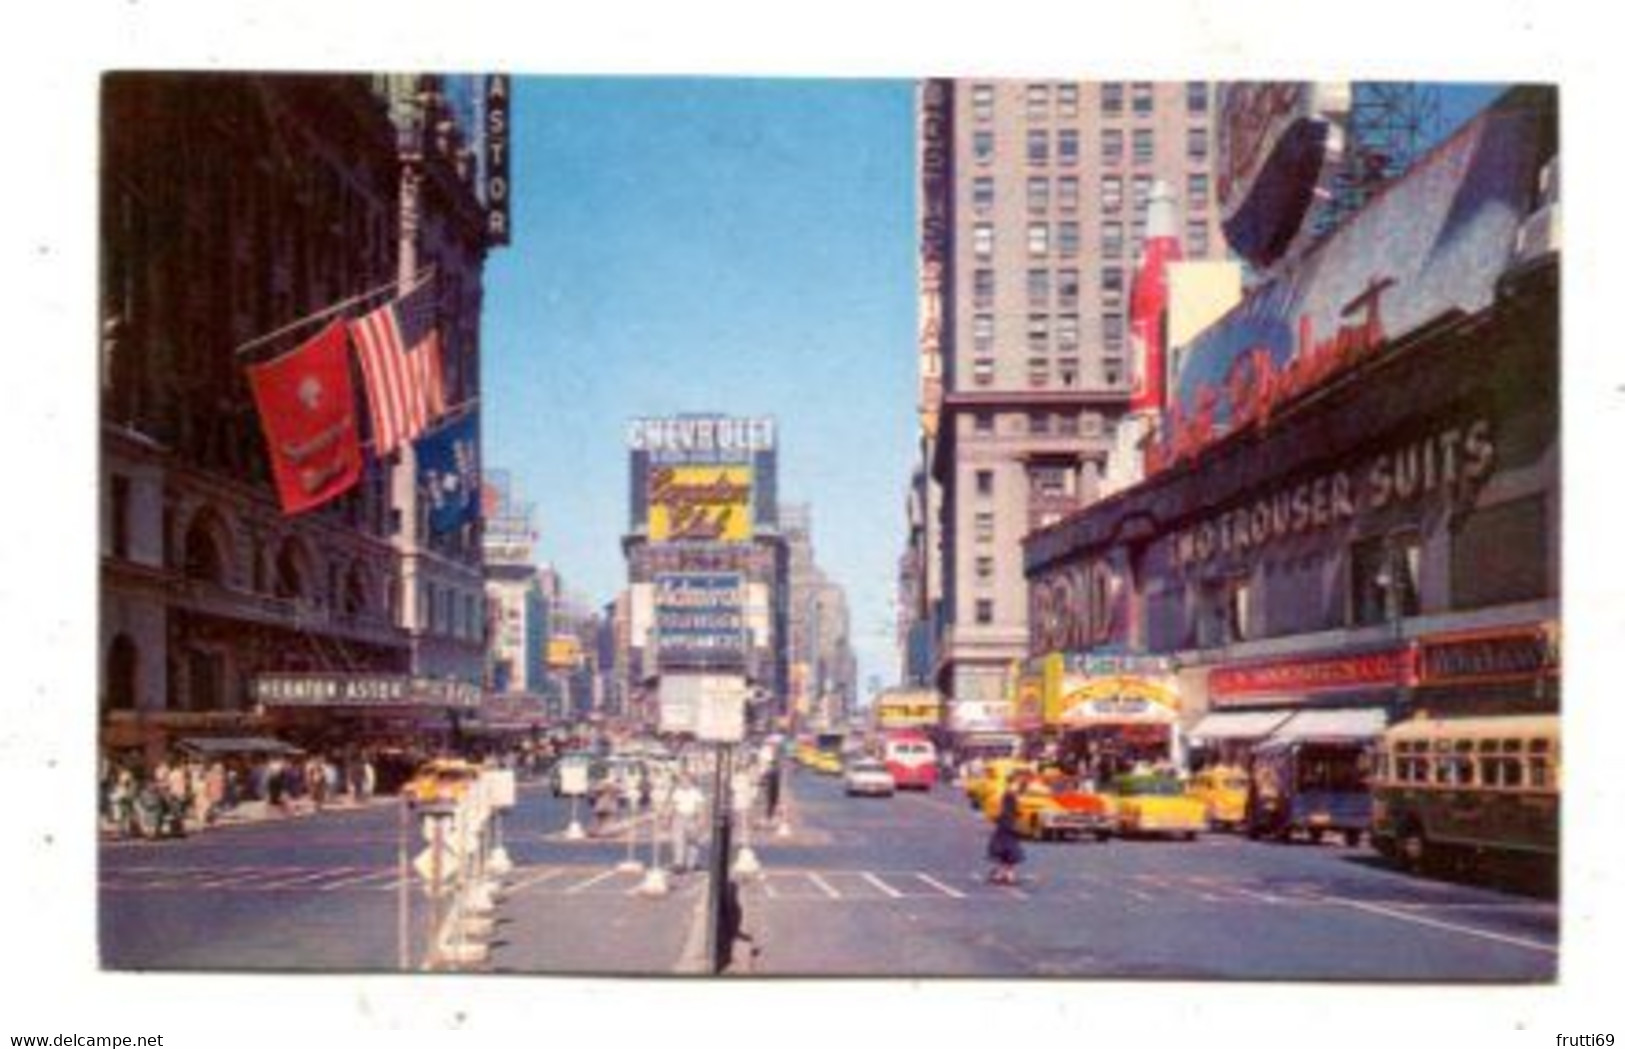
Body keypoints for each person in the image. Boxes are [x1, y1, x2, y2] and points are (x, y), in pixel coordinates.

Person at [987, 776, 1026, 885]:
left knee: (1005, 850)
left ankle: (1003, 874)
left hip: (1006, 824)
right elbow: (1010, 810)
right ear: (1011, 783)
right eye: (1016, 783)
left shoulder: (1009, 794)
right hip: (1007, 825)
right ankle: (1006, 875)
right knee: (1009, 850)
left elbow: (1010, 810)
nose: (1018, 785)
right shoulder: (1010, 795)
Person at [669, 775, 705, 873]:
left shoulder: (696, 792)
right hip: (679, 817)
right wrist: (668, 818)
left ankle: (691, 864)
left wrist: (701, 819)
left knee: (693, 842)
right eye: (681, 781)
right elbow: (673, 805)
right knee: (678, 841)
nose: (683, 783)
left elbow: (700, 806)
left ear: (690, 782)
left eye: (685, 781)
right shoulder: (677, 792)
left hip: (692, 817)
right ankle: (679, 863)